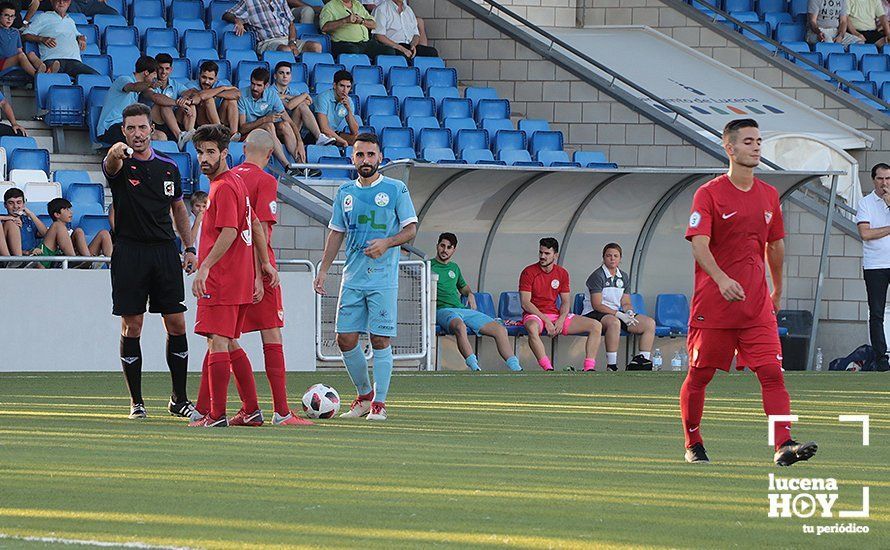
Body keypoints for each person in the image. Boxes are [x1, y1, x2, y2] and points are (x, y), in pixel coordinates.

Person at [682, 118, 818, 466]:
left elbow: (775, 247)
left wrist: (777, 289)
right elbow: (699, 245)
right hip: (713, 306)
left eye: (758, 140)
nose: (756, 146)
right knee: (700, 376)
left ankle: (783, 444)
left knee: (772, 374)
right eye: (748, 141)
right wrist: (721, 279)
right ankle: (693, 443)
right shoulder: (709, 193)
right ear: (729, 148)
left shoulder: (769, 195)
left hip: (756, 306)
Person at [103, 103, 200, 421]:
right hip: (129, 252)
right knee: (133, 324)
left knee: (177, 323)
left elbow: (179, 209)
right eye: (130, 128)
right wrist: (117, 150)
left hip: (163, 252)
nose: (136, 134)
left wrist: (189, 247)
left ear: (151, 129)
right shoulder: (119, 164)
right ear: (123, 131)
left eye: (142, 127)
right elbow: (111, 160)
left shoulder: (168, 167)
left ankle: (179, 399)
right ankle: (136, 402)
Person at [314, 132, 417, 421]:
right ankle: (363, 396)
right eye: (360, 155)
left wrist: (387, 242)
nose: (366, 160)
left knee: (380, 339)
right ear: (353, 158)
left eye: (371, 154)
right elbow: (336, 233)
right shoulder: (345, 193)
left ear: (380, 157)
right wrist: (323, 269)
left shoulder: (396, 189)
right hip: (353, 278)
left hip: (382, 279)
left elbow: (411, 229)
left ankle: (379, 404)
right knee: (344, 339)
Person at [189, 123, 280, 428]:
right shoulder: (234, 183)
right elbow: (253, 223)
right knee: (227, 342)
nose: (204, 157)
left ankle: (216, 415)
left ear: (225, 153)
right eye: (200, 151)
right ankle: (252, 410)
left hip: (223, 277)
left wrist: (205, 267)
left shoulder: (225, 185)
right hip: (237, 276)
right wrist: (263, 265)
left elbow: (229, 231)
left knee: (217, 342)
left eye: (211, 152)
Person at [234, 128, 313, 425]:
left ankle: (250, 409)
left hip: (228, 268)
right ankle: (281, 411)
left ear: (244, 148)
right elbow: (262, 231)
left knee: (225, 338)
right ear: (269, 154)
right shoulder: (266, 181)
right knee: (271, 332)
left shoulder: (227, 178)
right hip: (256, 266)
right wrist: (261, 270)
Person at [432, 232, 521, 372]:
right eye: (442, 246)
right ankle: (474, 367)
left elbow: (463, 287)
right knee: (460, 327)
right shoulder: (428, 266)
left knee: (500, 329)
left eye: (449, 247)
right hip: (442, 310)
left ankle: (516, 368)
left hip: (462, 309)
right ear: (437, 246)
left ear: (454, 250)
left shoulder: (454, 268)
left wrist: (470, 294)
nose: (445, 250)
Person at [519, 237, 602, 372]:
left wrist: (561, 319)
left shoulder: (562, 273)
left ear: (555, 255)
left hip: (556, 315)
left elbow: (565, 301)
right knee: (532, 328)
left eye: (547, 254)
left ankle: (589, 368)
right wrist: (545, 320)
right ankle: (547, 368)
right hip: (535, 315)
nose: (542, 256)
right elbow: (525, 303)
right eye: (540, 253)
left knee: (596, 325)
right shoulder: (528, 272)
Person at [582, 243, 656, 371]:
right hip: (594, 313)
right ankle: (612, 365)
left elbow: (626, 301)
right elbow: (597, 304)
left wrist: (629, 311)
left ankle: (643, 362)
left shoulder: (624, 276)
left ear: (620, 258)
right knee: (614, 322)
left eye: (615, 256)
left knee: (649, 323)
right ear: (604, 257)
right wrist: (619, 314)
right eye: (609, 255)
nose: (612, 258)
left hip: (615, 312)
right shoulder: (597, 276)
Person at [855, 162, 890, 372]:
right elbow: (865, 234)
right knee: (876, 313)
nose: (884, 183)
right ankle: (881, 357)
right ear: (873, 180)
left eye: (888, 179)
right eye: (880, 179)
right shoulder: (866, 203)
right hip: (875, 265)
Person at [238, 66, 305, 165]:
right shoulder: (242, 94)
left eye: (259, 85)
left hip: (268, 132)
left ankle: (301, 165)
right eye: (252, 84)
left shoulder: (272, 95)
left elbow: (290, 121)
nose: (254, 88)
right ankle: (287, 165)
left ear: (266, 86)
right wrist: (264, 119)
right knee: (268, 124)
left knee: (285, 125)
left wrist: (300, 142)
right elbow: (242, 129)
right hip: (248, 135)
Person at [96, 56, 167, 145]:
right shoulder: (124, 79)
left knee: (160, 136)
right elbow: (133, 87)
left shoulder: (142, 89)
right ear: (146, 72)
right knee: (137, 137)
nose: (155, 78)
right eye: (154, 74)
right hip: (111, 128)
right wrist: (150, 84)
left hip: (130, 126)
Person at [22, 0, 98, 78]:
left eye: (65, 0)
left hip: (74, 61)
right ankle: (47, 72)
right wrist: (41, 38)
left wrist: (81, 37)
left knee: (96, 77)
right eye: (58, 0)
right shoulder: (43, 17)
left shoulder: (70, 21)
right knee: (53, 69)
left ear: (69, 2)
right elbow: (25, 35)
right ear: (52, 1)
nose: (61, 2)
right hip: (52, 58)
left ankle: (47, 73)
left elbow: (78, 34)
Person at [223, 0, 321, 56]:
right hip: (267, 42)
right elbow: (226, 14)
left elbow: (291, 24)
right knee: (285, 50)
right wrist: (237, 20)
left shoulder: (280, 1)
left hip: (288, 39)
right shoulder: (249, 2)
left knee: (316, 47)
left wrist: (292, 43)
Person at [36, 197, 112, 268]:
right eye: (66, 209)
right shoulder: (54, 227)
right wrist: (30, 213)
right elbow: (43, 231)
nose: (71, 212)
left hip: (78, 260)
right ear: (57, 214)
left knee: (102, 233)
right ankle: (78, 260)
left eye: (70, 209)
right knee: (59, 225)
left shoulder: (67, 230)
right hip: (60, 264)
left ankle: (106, 265)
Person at [272, 61, 335, 146]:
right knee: (301, 105)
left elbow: (308, 102)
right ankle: (319, 136)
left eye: (288, 73)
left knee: (302, 105)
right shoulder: (270, 91)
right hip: (278, 130)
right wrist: (304, 95)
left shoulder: (293, 91)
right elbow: (289, 106)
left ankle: (319, 137)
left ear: (290, 77)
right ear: (275, 76)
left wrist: (287, 97)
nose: (285, 76)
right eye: (281, 73)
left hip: (294, 127)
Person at [148, 53, 196, 150]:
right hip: (154, 122)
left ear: (171, 69)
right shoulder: (149, 83)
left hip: (171, 122)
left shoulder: (175, 84)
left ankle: (189, 135)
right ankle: (180, 136)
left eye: (167, 68)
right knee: (163, 104)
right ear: (155, 68)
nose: (163, 72)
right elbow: (157, 98)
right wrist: (179, 103)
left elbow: (191, 92)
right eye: (160, 68)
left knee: (191, 104)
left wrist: (185, 98)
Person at [320, 0, 397, 57]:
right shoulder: (330, 6)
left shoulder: (357, 4)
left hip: (365, 43)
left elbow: (373, 24)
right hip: (344, 43)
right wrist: (345, 20)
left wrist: (362, 21)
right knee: (353, 51)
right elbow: (324, 27)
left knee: (389, 51)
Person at [188, 61, 241, 140]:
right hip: (202, 122)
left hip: (220, 118)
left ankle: (234, 135)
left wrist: (213, 93)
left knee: (231, 101)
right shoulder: (191, 84)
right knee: (209, 99)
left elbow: (237, 94)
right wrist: (222, 88)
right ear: (199, 75)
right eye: (204, 77)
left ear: (216, 78)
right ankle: (220, 132)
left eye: (210, 79)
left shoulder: (220, 83)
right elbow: (202, 96)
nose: (206, 82)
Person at [0, 2, 57, 76]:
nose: (9, 19)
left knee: (31, 54)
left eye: (12, 16)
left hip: (15, 60)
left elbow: (19, 50)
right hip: (2, 63)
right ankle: (37, 76)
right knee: (21, 56)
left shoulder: (15, 32)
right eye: (6, 15)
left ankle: (46, 70)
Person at [372, 0, 438, 58]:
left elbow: (416, 34)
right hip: (393, 46)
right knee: (402, 56)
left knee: (432, 52)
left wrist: (413, 45)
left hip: (410, 46)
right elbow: (379, 36)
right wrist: (401, 48)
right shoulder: (382, 9)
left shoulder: (409, 10)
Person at [314, 69, 361, 147]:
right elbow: (324, 128)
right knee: (329, 136)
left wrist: (348, 109)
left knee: (357, 140)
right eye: (342, 86)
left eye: (348, 87)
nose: (345, 90)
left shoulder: (348, 101)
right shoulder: (323, 98)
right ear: (335, 85)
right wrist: (343, 141)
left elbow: (355, 131)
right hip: (317, 134)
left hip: (333, 134)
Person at [2, 187, 46, 258]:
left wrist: (31, 214)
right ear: (5, 205)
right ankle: (18, 261)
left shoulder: (27, 220)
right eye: (11, 203)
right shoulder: (4, 221)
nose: (15, 206)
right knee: (11, 223)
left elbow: (45, 233)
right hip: (13, 261)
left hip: (32, 259)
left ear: (24, 204)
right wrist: (27, 252)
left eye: (19, 202)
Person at [189, 190, 208, 257]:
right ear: (192, 206)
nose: (201, 209)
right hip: (192, 257)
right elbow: (189, 242)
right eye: (197, 206)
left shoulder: (209, 221)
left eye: (204, 206)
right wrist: (197, 222)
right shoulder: (188, 221)